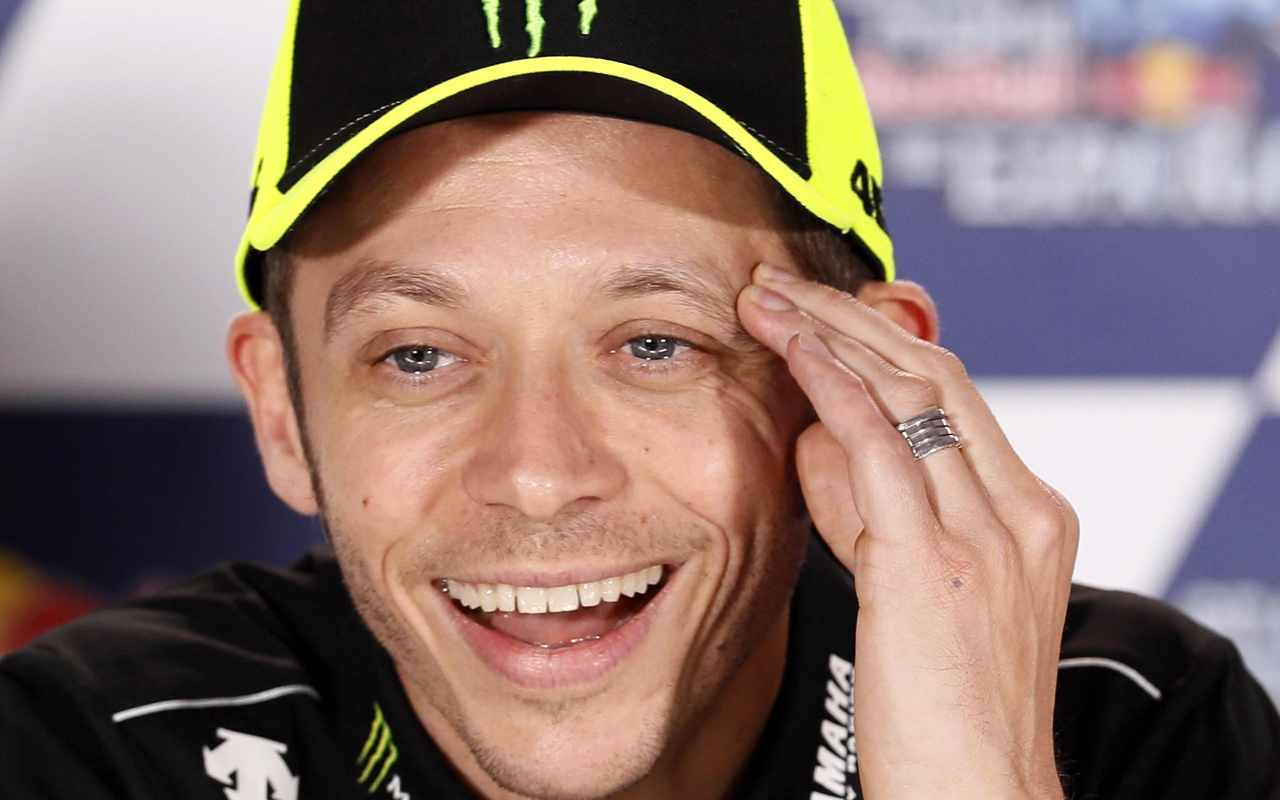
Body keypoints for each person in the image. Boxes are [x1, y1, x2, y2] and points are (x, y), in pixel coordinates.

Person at [2, 1, 1277, 798]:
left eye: (655, 343)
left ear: (858, 391)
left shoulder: (1122, 719)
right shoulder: (93, 750)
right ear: (282, 410)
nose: (536, 472)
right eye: (418, 355)